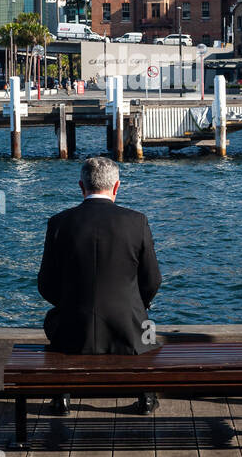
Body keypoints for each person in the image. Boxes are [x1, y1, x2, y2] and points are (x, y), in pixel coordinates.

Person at [36, 156, 163, 415]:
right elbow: (152, 279)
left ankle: (61, 396)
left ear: (81, 186)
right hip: (127, 327)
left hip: (73, 328)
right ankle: (146, 396)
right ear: (116, 187)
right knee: (144, 325)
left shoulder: (58, 223)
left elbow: (45, 284)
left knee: (58, 322)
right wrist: (140, 304)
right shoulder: (137, 221)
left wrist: (69, 302)